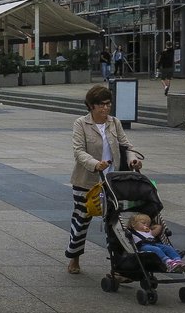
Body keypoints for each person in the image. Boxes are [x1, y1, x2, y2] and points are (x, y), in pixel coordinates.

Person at [66, 85, 142, 274]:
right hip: (86, 181)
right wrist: (95, 163)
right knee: (82, 220)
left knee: (115, 223)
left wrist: (133, 159)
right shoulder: (81, 124)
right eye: (101, 105)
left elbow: (126, 145)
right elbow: (78, 151)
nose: (105, 108)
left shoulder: (114, 122)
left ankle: (119, 267)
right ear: (91, 106)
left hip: (111, 182)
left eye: (108, 104)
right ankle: (74, 258)